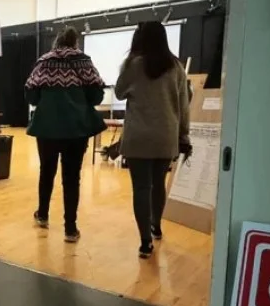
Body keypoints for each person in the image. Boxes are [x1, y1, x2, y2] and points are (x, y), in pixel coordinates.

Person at [115, 22, 191, 258]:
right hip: (165, 136)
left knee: (141, 187)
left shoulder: (133, 65)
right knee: (158, 184)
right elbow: (183, 105)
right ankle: (156, 226)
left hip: (138, 136)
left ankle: (145, 242)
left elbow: (118, 92)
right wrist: (184, 134)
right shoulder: (176, 67)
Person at [24, 26, 106, 243]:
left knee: (46, 171)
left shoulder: (44, 62)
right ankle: (70, 228)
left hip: (47, 127)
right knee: (72, 178)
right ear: (75, 42)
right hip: (76, 128)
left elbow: (31, 95)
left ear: (57, 42)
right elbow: (97, 96)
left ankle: (42, 215)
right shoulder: (84, 61)